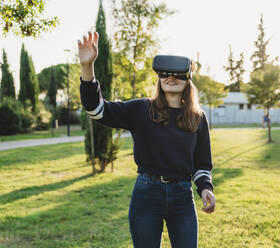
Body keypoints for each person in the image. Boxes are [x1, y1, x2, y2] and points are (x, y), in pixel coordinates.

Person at [77, 31, 216, 248]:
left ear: (187, 79)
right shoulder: (141, 110)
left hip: (182, 196)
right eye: (164, 74)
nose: (170, 78)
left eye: (177, 74)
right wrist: (87, 67)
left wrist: (205, 188)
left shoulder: (197, 118)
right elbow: (96, 109)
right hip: (146, 194)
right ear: (159, 78)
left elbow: (202, 165)